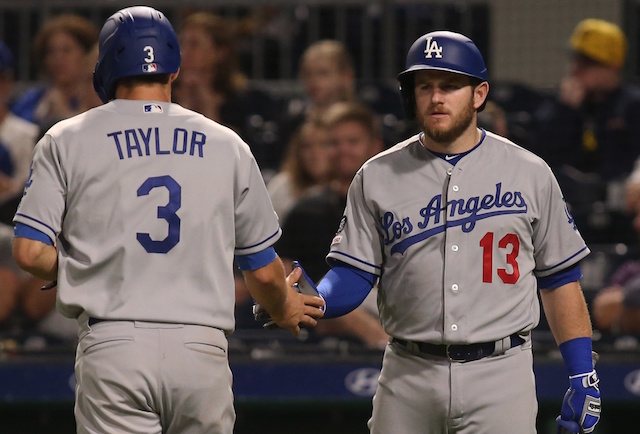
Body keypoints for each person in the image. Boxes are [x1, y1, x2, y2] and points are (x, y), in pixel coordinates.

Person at [11, 6, 324, 434]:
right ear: (173, 71)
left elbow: (29, 252)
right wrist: (285, 307)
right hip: (201, 350)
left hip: (114, 346)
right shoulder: (226, 143)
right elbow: (265, 274)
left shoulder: (66, 138)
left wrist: (82, 270)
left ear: (103, 68)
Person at [273, 31, 601, 433]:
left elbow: (560, 279)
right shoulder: (377, 175)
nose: (435, 97)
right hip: (409, 372)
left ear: (479, 94)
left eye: (449, 85)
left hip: (501, 374)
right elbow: (356, 271)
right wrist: (316, 300)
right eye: (424, 86)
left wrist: (583, 374)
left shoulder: (530, 173)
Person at [276, 101, 387, 349]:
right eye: (334, 143)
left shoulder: (398, 205)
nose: (343, 150)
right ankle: (387, 352)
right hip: (333, 315)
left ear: (375, 146)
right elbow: (283, 270)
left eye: (353, 142)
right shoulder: (306, 211)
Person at [533, 18, 640, 242]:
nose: (576, 70)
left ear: (612, 66)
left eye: (587, 63)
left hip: (621, 215)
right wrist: (565, 110)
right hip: (570, 215)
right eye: (575, 60)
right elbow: (539, 155)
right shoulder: (561, 104)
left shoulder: (631, 105)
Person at [11, 14, 101, 135]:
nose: (58, 58)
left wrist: (64, 114)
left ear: (86, 54)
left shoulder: (98, 98)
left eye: (66, 50)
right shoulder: (32, 100)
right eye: (51, 51)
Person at [267, 116, 332, 222]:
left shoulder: (345, 189)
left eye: (323, 145)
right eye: (307, 146)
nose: (315, 154)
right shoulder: (282, 186)